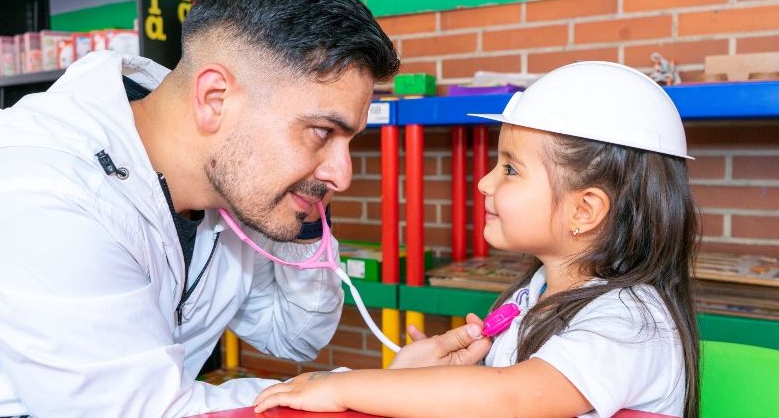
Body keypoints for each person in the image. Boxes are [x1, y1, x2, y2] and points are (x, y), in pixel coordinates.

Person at [0, 0, 412, 417]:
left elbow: (294, 335)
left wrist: (304, 212)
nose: (343, 174)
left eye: (350, 142)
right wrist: (378, 393)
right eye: (322, 132)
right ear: (215, 99)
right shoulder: (39, 192)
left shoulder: (225, 179)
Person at [254, 61, 701, 418]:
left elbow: (510, 400)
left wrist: (341, 384)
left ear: (583, 210)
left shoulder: (630, 322)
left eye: (509, 168)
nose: (485, 183)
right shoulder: (535, 296)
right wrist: (424, 378)